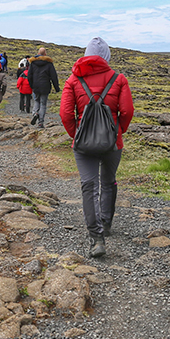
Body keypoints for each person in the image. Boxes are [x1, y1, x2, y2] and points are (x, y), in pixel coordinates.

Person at [60, 37, 133, 258]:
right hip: (112, 142)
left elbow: (65, 114)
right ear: (107, 57)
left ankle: (96, 238)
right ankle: (106, 223)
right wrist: (117, 133)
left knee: (89, 186)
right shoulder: (119, 79)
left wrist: (78, 135)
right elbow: (127, 111)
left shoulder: (73, 80)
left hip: (83, 145)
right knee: (108, 181)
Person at [27, 46, 59, 128]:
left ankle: (35, 113)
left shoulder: (33, 63)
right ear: (45, 54)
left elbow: (29, 76)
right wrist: (57, 88)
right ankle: (40, 123)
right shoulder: (49, 64)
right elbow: (54, 76)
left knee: (36, 101)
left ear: (38, 53)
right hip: (45, 86)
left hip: (36, 86)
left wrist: (32, 86)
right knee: (43, 104)